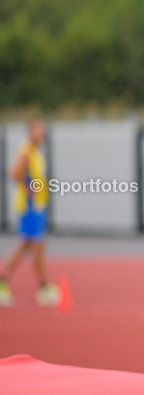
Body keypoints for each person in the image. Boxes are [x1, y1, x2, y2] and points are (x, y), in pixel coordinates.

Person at [0, 117, 59, 307]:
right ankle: (43, 286)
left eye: (42, 130)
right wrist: (28, 188)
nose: (40, 133)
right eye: (37, 129)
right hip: (30, 207)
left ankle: (3, 279)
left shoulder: (34, 152)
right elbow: (14, 171)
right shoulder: (26, 151)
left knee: (26, 245)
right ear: (29, 131)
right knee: (37, 246)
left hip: (36, 206)